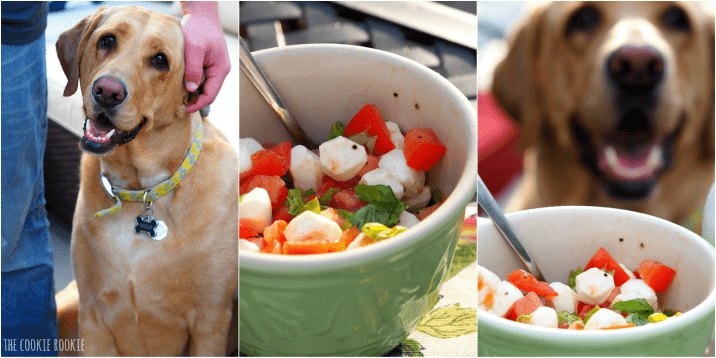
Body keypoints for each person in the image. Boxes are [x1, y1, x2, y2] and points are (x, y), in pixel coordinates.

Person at [0, 2, 230, 356]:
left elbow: (211, 328)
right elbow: (93, 319)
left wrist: (202, 11)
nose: (111, 84)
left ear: (191, 94)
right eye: (107, 43)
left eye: (158, 61)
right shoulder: (94, 171)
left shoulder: (222, 192)